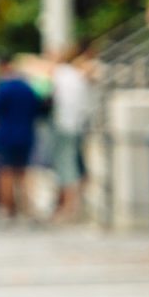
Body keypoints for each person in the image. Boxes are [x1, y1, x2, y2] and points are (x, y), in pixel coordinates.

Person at [0, 58, 43, 221]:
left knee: (5, 172)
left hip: (5, 134)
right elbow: (38, 110)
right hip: (25, 134)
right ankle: (25, 208)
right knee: (23, 172)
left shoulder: (3, 89)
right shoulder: (29, 89)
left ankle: (8, 209)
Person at [50, 45, 92, 223]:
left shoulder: (63, 75)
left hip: (65, 125)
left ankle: (69, 207)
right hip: (77, 125)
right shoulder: (77, 77)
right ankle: (76, 206)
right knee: (77, 165)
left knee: (67, 166)